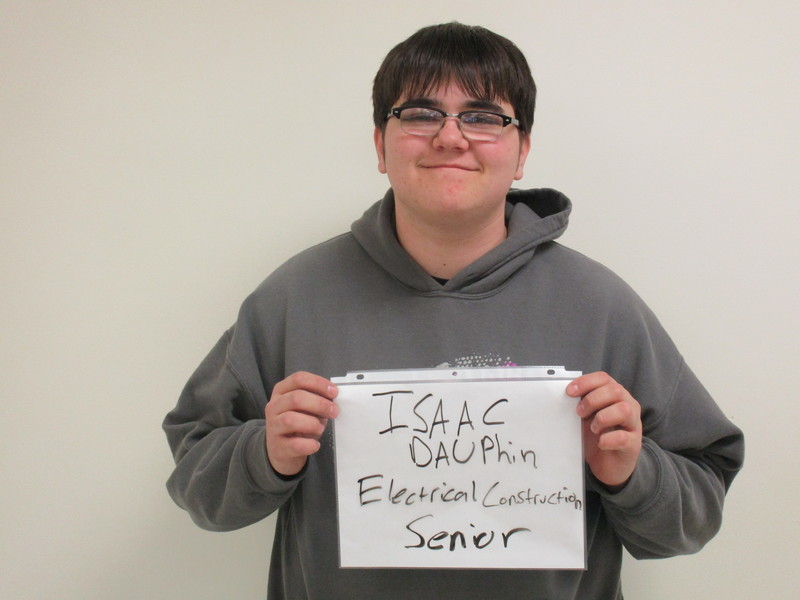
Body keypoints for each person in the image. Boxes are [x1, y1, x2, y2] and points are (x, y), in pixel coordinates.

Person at [163, 22, 744, 599]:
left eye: (484, 116)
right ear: (379, 145)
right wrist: (263, 454)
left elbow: (695, 512)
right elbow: (198, 485)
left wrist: (630, 472)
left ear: (522, 152)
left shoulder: (603, 307)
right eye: (419, 113)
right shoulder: (291, 299)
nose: (450, 137)